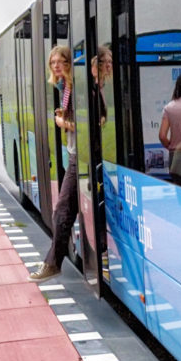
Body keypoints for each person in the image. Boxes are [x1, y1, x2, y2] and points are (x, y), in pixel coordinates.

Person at [37, 46, 110, 278]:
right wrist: (65, 115)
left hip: (81, 155)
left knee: (63, 211)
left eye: (61, 62)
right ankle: (98, 253)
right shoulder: (66, 87)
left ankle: (53, 264)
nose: (56, 66)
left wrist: (61, 122)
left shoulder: (78, 87)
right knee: (75, 209)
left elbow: (94, 121)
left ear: (70, 64)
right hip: (76, 153)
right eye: (52, 62)